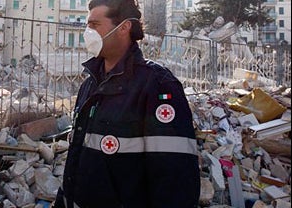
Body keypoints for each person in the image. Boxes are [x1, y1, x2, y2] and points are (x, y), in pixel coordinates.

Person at [53, 0, 200, 207]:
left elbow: (174, 179)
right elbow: (76, 161)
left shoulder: (157, 86)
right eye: (87, 25)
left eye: (94, 25)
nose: (87, 32)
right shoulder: (90, 85)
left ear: (124, 28)